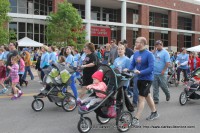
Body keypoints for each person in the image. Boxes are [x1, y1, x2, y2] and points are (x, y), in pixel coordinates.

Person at [124, 37, 159, 126]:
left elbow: (151, 68)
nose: (135, 43)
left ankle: (136, 118)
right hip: (139, 78)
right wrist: (128, 69)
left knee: (141, 98)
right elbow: (132, 65)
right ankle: (154, 112)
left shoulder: (149, 54)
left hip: (147, 79)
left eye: (137, 42)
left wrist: (141, 72)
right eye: (135, 42)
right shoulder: (136, 53)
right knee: (147, 96)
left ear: (142, 43)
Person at [152, 40, 171, 104]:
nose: (157, 46)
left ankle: (167, 94)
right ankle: (156, 99)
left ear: (161, 45)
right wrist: (153, 51)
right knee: (155, 87)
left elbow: (167, 63)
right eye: (156, 45)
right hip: (154, 72)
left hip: (162, 73)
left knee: (163, 86)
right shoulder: (155, 52)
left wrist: (164, 70)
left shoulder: (165, 53)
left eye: (158, 45)